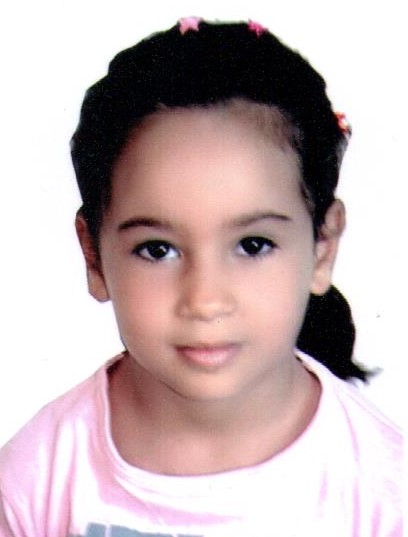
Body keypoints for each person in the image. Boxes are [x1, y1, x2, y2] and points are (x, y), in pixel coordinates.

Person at [0, 18, 402, 537]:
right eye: (157, 249)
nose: (205, 300)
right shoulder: (33, 479)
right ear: (94, 256)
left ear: (322, 246)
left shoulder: (386, 492)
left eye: (253, 245)